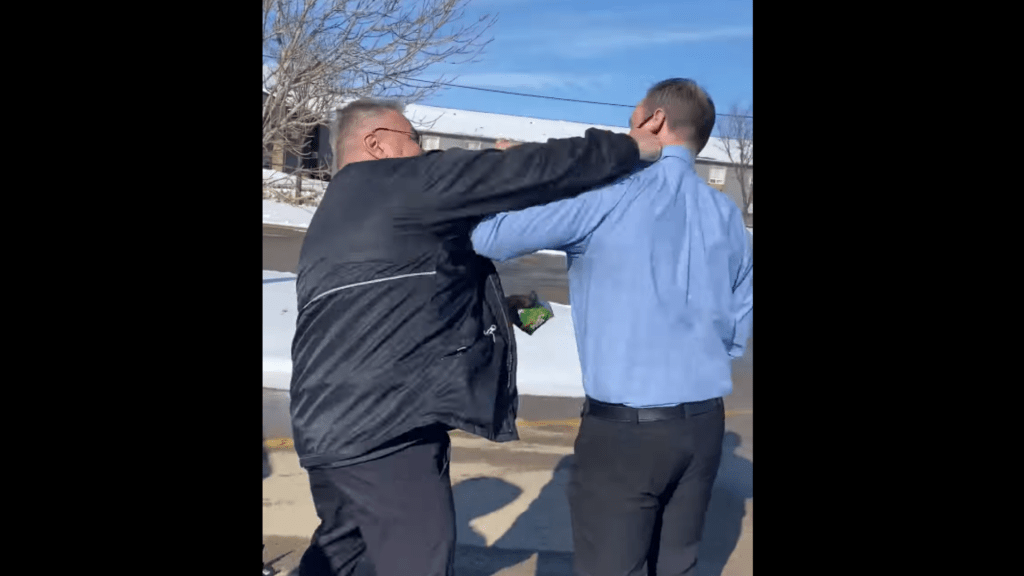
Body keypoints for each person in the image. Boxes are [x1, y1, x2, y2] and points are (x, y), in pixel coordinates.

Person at [289, 98, 663, 576]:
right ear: (376, 144)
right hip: (385, 430)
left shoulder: (341, 212)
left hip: (326, 431)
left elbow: (399, 296)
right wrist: (629, 146)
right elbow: (525, 171)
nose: (422, 151)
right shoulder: (398, 181)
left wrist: (500, 309)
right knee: (417, 560)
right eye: (415, 140)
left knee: (340, 551)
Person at [470, 78, 754, 576]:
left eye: (633, 117)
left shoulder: (610, 196)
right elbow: (735, 330)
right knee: (678, 565)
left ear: (655, 122)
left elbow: (490, 237)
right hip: (704, 423)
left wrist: (511, 173)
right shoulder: (727, 216)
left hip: (627, 431)